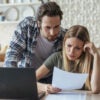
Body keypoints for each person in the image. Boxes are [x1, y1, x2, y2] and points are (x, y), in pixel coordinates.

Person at [4, 2, 66, 83]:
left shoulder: (64, 36)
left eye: (56, 26)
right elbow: (12, 55)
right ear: (38, 23)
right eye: (48, 27)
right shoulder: (26, 27)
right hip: (26, 77)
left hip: (52, 79)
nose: (53, 32)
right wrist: (10, 79)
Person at [36, 25, 100, 94]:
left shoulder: (91, 60)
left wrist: (96, 55)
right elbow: (30, 81)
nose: (71, 52)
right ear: (64, 43)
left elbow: (96, 89)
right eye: (69, 46)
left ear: (84, 48)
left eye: (77, 48)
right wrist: (45, 87)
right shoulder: (57, 57)